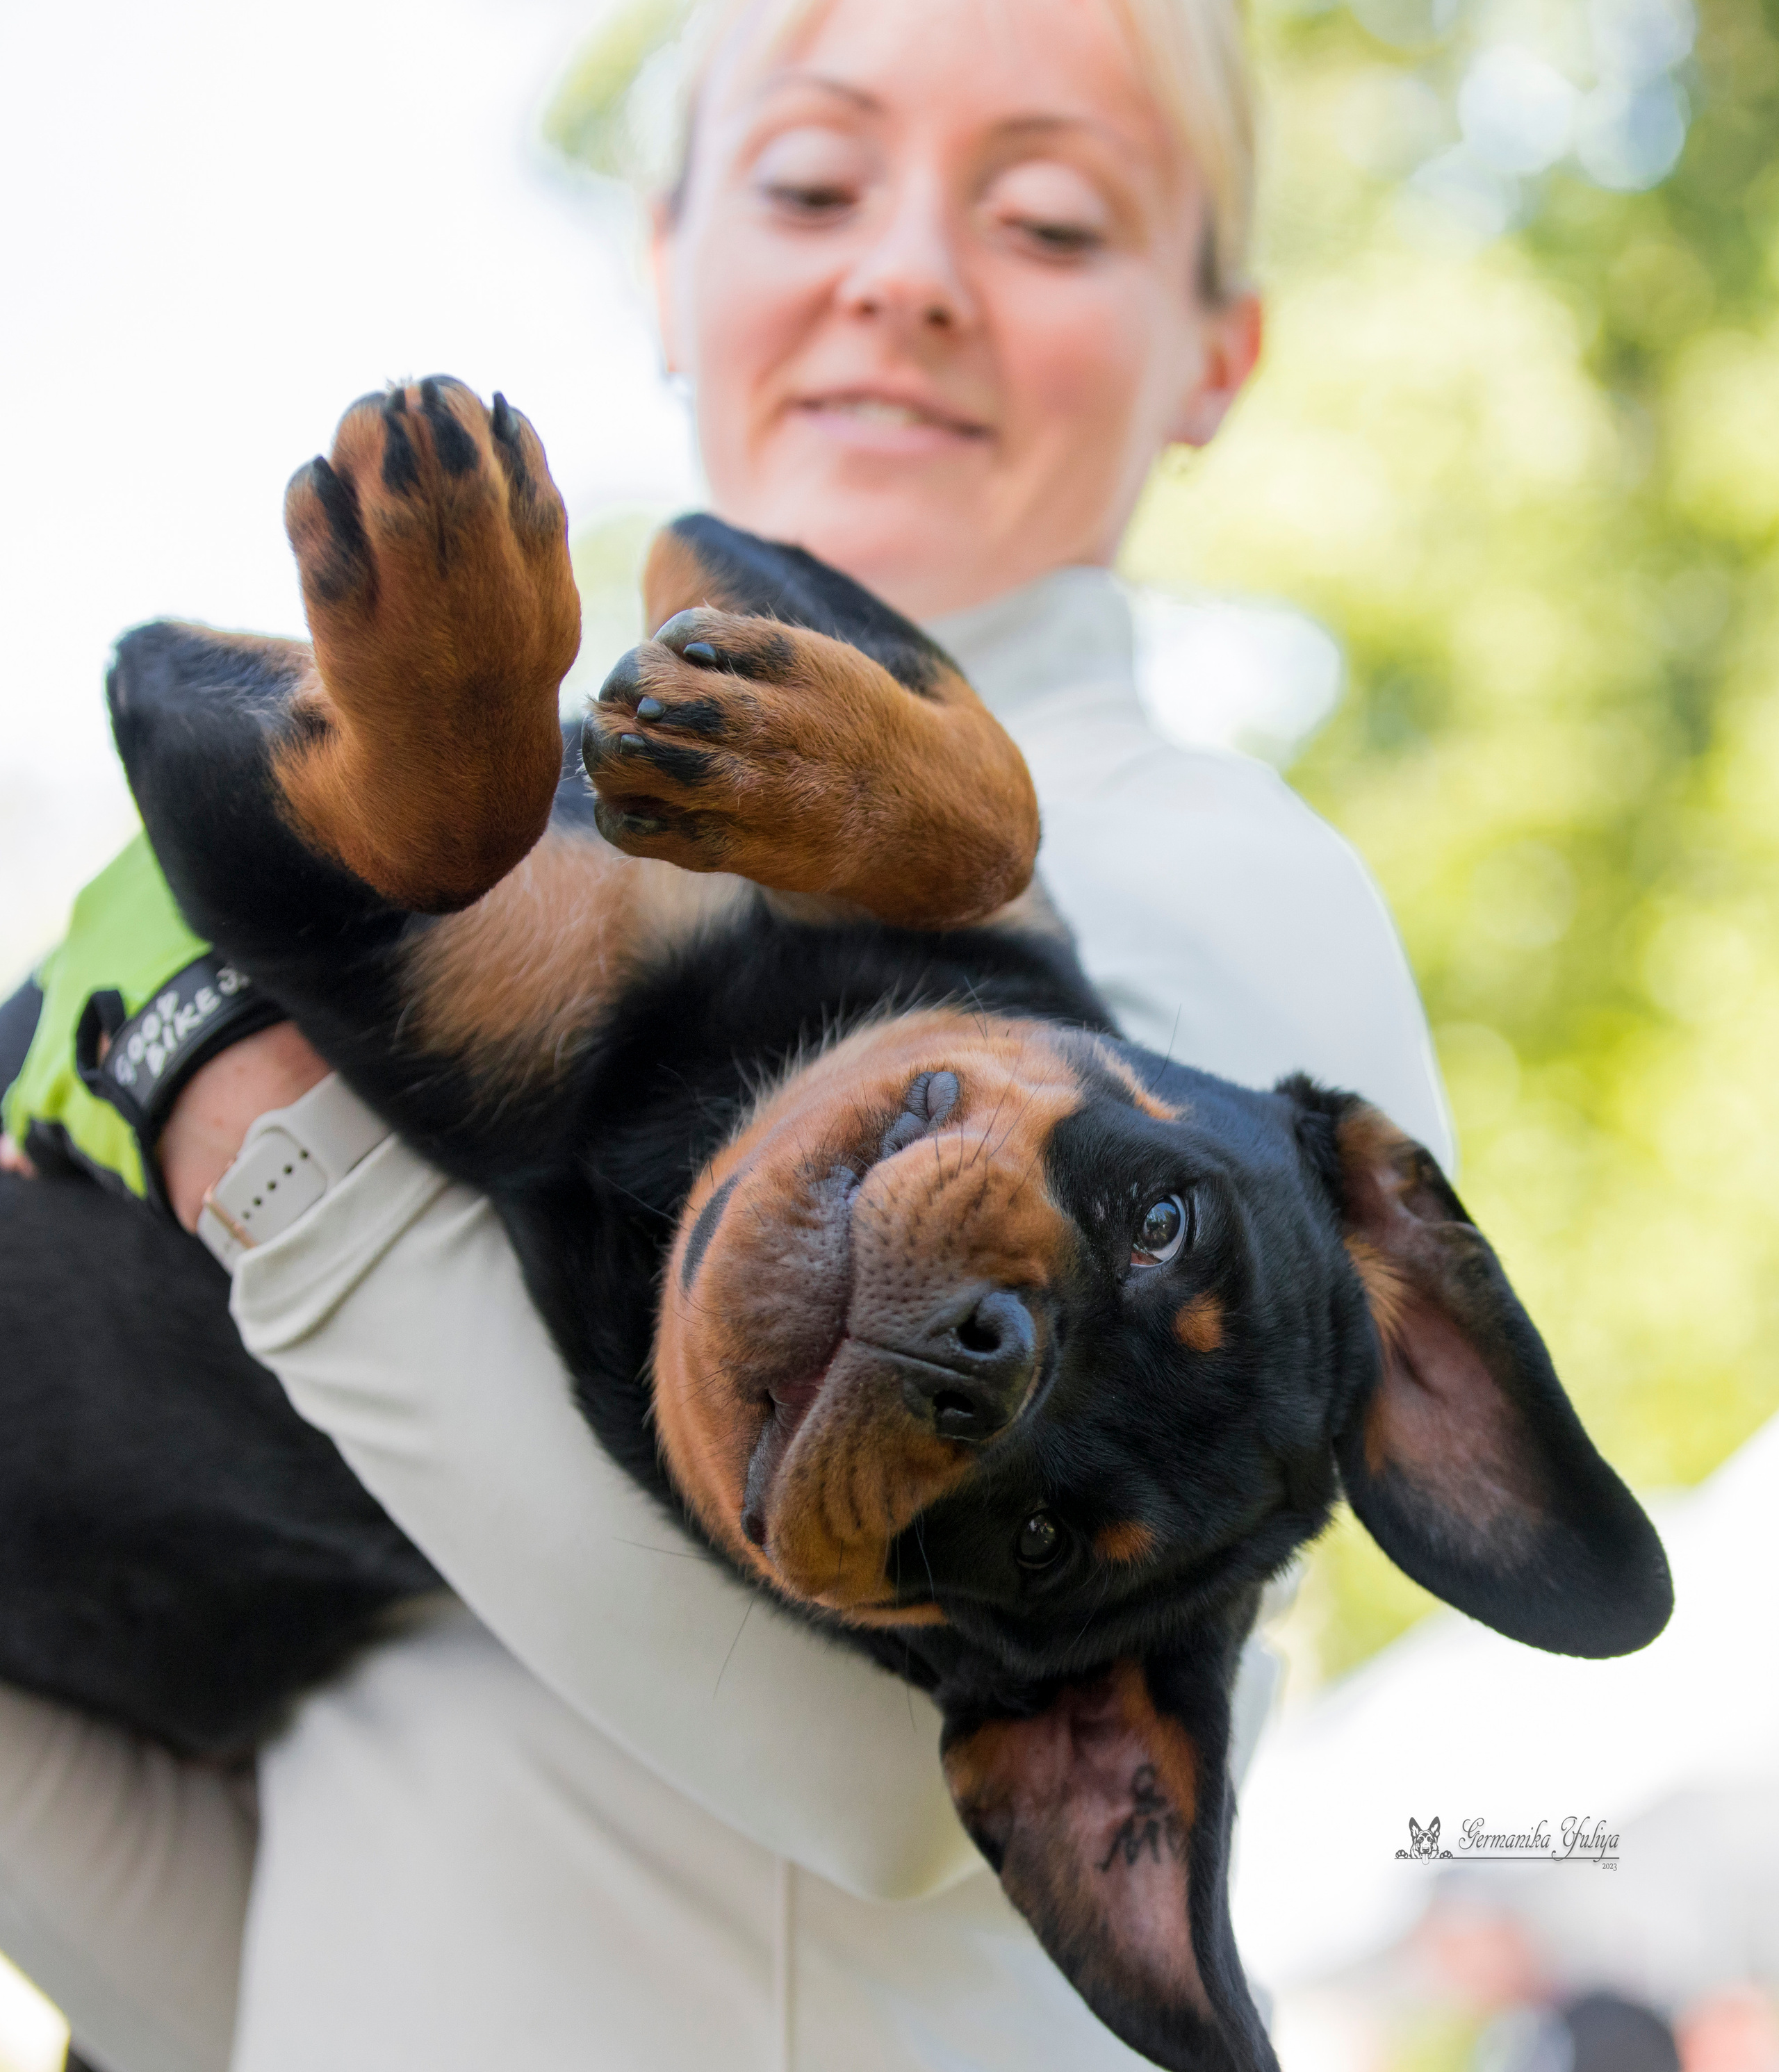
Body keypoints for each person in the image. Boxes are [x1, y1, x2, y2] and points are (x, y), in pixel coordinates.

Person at [0, 1, 1453, 2066]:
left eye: (1052, 223)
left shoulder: (1219, 869)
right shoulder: (590, 760)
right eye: (813, 184)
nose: (908, 274)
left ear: (1220, 355)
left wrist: (222, 1089)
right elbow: (370, 1788)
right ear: (664, 256)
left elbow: (879, 1788)